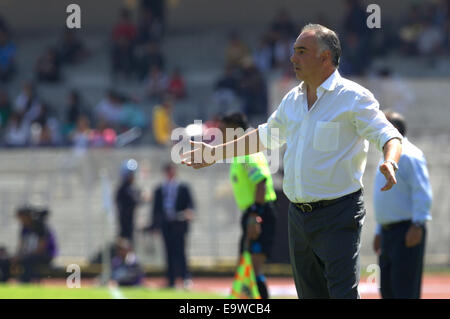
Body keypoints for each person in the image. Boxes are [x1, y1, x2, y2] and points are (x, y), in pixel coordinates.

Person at [181, 24, 403, 299]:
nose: (292, 58)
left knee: (342, 294)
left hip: (339, 214)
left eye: (301, 51)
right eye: (293, 51)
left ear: (324, 58)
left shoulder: (354, 98)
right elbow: (262, 138)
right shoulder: (293, 99)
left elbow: (389, 135)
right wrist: (213, 153)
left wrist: (390, 162)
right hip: (298, 218)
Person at [372, 111, 432, 299]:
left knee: (404, 290)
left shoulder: (410, 155)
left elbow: (421, 191)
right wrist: (379, 230)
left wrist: (417, 225)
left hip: (406, 230)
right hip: (388, 232)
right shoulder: (385, 157)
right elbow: (386, 197)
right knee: (388, 290)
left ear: (394, 129)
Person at [219, 112, 277, 299]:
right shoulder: (240, 153)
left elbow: (261, 182)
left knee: (253, 268)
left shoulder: (246, 153)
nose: (221, 134)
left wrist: (254, 215)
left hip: (259, 213)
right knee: (246, 267)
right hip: (253, 212)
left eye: (224, 130)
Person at [148, 163, 195, 288]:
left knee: (180, 251)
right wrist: (155, 225)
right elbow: (156, 209)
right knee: (168, 252)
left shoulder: (183, 187)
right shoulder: (159, 189)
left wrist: (189, 213)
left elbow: (190, 205)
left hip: (179, 223)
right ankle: (171, 279)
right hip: (166, 223)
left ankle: (185, 277)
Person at [10, 206, 58, 282]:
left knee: (26, 262)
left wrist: (23, 256)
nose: (20, 220)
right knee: (8, 261)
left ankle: (28, 282)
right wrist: (17, 256)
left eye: (21, 217)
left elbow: (41, 248)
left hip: (45, 255)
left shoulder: (40, 226)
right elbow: (21, 245)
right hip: (30, 255)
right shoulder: (24, 228)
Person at [115, 159, 141, 243]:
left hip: (129, 221)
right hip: (126, 222)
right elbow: (135, 200)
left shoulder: (126, 188)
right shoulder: (125, 189)